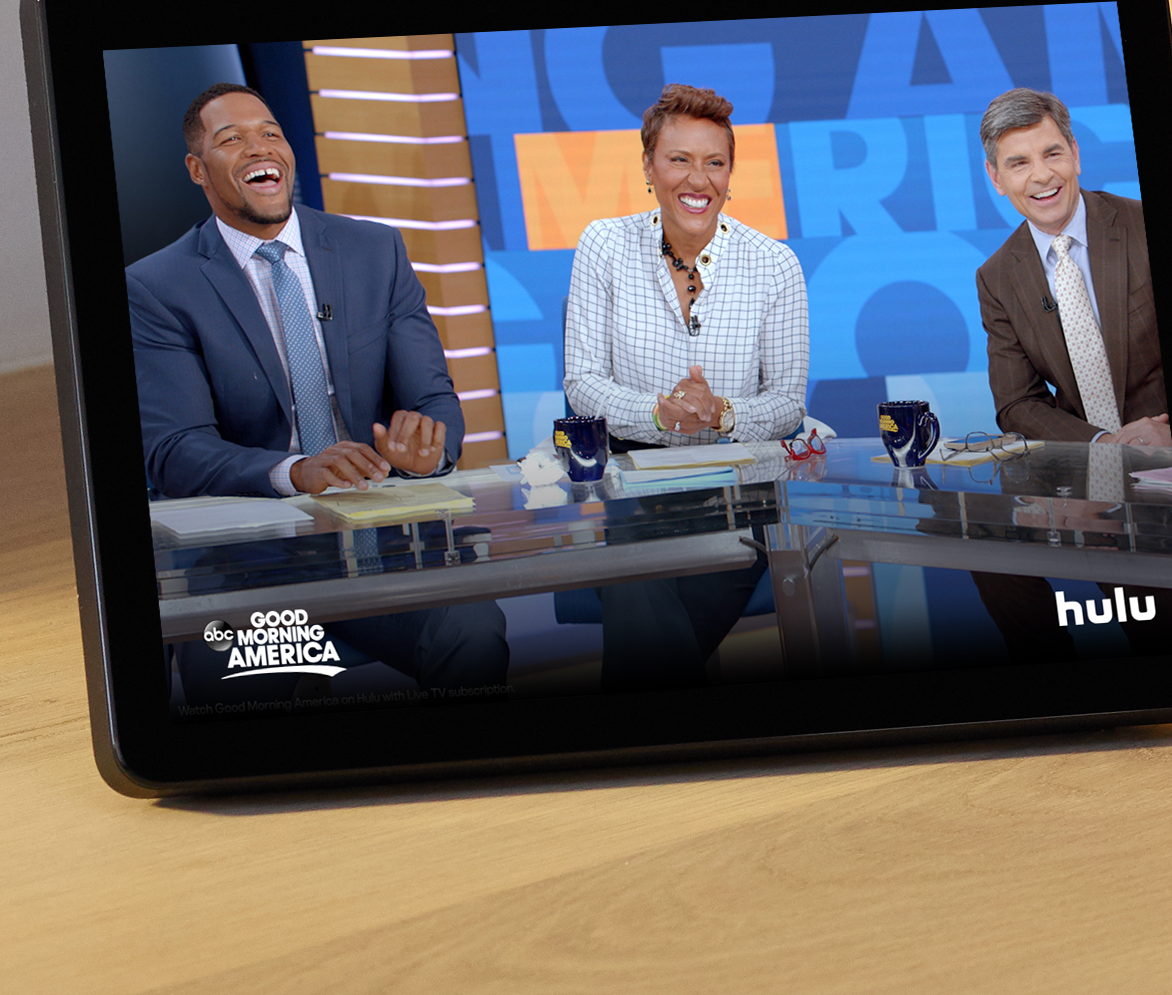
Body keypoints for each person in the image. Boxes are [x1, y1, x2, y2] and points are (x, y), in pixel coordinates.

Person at [128, 83, 507, 703]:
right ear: (198, 170)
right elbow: (174, 451)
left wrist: (428, 454)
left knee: (470, 626)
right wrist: (296, 471)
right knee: (257, 688)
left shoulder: (373, 251)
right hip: (250, 560)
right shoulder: (157, 287)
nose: (259, 148)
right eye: (233, 140)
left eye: (271, 133)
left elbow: (434, 403)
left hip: (383, 541)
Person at [564, 83, 809, 688]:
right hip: (633, 491)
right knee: (639, 579)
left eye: (714, 162)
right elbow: (582, 384)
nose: (697, 180)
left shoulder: (775, 264)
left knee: (645, 618)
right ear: (648, 166)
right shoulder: (603, 245)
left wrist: (720, 413)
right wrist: (658, 414)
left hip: (738, 492)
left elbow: (786, 403)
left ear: (730, 174)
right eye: (679, 160)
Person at [970, 87, 1172, 662]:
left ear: (1075, 153)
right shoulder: (997, 276)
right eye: (1018, 162)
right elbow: (1016, 404)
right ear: (996, 177)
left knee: (1163, 632)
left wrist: (1168, 435)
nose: (1041, 176)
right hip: (1092, 471)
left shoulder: (1147, 227)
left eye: (1052, 154)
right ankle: (1060, 681)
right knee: (986, 542)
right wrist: (1101, 446)